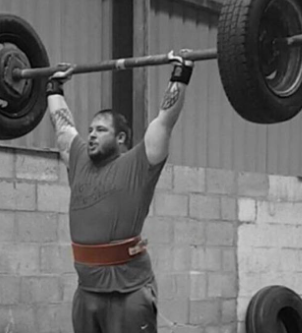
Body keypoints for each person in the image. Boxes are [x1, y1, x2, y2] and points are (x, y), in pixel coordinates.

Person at [46, 52, 194, 333]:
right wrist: (54, 86)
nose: (91, 135)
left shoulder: (138, 165)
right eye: (90, 130)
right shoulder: (79, 160)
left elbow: (165, 121)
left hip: (128, 292)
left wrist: (181, 72)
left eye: (101, 130)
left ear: (121, 138)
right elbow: (62, 125)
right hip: (87, 291)